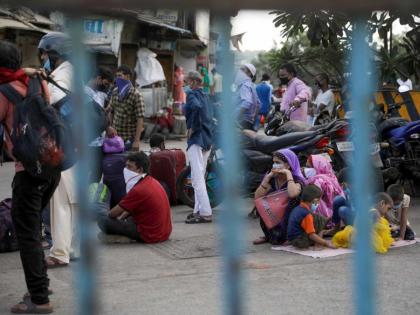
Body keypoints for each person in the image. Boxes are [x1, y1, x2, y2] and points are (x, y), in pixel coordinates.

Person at [0, 40, 60, 314]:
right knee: (32, 229)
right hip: (51, 167)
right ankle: (41, 286)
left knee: (27, 236)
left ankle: (39, 299)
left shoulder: (4, 92)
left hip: (28, 173)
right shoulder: (37, 83)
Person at [33, 32, 80, 269]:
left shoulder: (62, 74)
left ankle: (60, 253)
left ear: (53, 53)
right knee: (72, 199)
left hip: (64, 144)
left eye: (44, 53)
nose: (42, 58)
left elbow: (49, 102)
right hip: (76, 142)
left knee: (60, 200)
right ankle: (73, 247)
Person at [97, 152, 172, 243]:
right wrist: (121, 219)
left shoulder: (138, 189)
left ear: (140, 169)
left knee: (103, 220)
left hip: (151, 235)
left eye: (129, 167)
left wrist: (115, 220)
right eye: (126, 166)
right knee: (125, 217)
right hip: (164, 232)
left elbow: (112, 214)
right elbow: (129, 209)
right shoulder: (151, 181)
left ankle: (121, 237)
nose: (125, 170)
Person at [253, 149, 306, 245]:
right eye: (273, 162)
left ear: (288, 165)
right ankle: (269, 236)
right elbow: (257, 197)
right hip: (276, 211)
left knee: (293, 203)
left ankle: (290, 236)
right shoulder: (273, 178)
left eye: (278, 163)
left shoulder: (297, 179)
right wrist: (267, 178)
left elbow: (292, 193)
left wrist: (288, 174)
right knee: (261, 204)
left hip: (290, 214)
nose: (274, 165)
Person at [183, 71, 214, 224]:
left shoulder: (192, 95)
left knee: (197, 177)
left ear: (194, 82)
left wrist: (191, 128)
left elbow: (195, 108)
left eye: (186, 81)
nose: (184, 85)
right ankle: (198, 210)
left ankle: (206, 212)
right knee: (198, 177)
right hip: (207, 139)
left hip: (197, 139)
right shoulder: (206, 95)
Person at [107, 65, 145, 151]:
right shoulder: (115, 92)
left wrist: (136, 141)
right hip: (115, 137)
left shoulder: (136, 95)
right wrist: (109, 128)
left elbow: (140, 119)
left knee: (128, 161)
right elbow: (111, 111)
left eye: (120, 76)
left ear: (127, 77)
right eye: (116, 76)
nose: (117, 78)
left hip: (129, 138)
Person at [287, 185, 336, 249]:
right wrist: (326, 243)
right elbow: (311, 235)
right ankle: (318, 243)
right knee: (318, 220)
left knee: (316, 217)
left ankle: (326, 222)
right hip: (301, 241)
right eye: (318, 201)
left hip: (292, 239)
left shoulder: (298, 208)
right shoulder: (306, 214)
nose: (318, 203)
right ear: (313, 200)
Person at [234, 63, 260, 130]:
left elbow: (247, 102)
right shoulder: (252, 85)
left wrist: (234, 117)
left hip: (241, 122)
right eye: (240, 69)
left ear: (249, 74)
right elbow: (258, 104)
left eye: (243, 69)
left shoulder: (244, 85)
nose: (240, 71)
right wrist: (252, 118)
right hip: (248, 122)